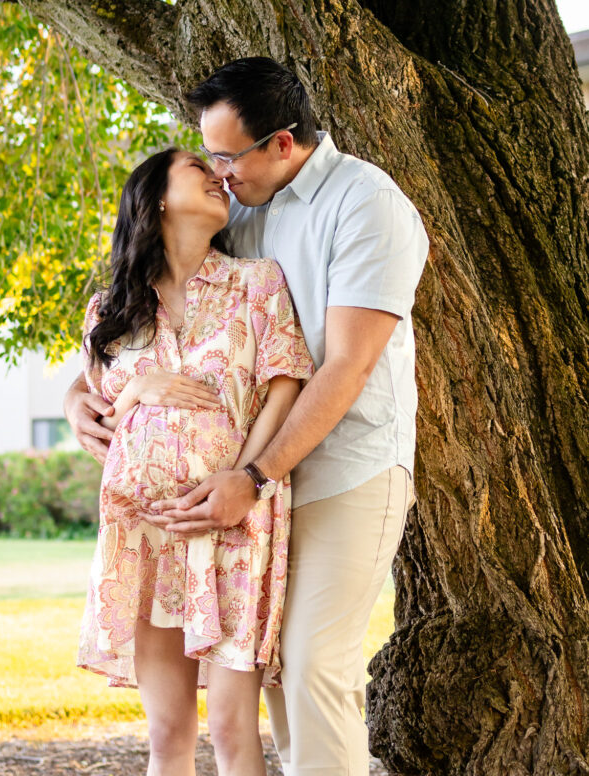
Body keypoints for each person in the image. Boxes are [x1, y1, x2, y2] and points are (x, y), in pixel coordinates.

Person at [65, 57, 430, 776]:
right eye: (208, 160)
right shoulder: (245, 214)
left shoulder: (364, 204)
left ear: (284, 144)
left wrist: (253, 476)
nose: (219, 172)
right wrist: (82, 397)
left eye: (227, 157)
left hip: (341, 470)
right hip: (223, 502)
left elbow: (344, 366)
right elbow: (138, 335)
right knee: (277, 686)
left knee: (311, 665)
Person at [75, 145, 313, 776]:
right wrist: (135, 389)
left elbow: (284, 386)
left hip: (234, 528)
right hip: (144, 533)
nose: (218, 177)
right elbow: (95, 408)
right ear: (155, 199)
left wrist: (246, 481)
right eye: (197, 169)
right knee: (168, 734)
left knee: (236, 730)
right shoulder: (111, 311)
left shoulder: (256, 284)